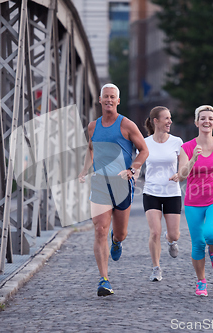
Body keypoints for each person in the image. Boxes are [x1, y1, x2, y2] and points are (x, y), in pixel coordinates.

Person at [78, 83, 149, 296]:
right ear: (99, 100)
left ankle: (116, 241)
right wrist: (84, 171)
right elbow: (91, 149)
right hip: (100, 183)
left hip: (121, 185)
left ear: (118, 101)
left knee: (121, 232)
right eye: (105, 97)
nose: (109, 100)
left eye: (112, 97)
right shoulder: (93, 126)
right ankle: (104, 280)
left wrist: (132, 169)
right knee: (100, 229)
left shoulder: (126, 125)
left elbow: (144, 150)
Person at [173, 105, 213, 296]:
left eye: (210, 118)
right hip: (193, 202)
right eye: (202, 118)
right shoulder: (187, 147)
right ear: (196, 122)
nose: (206, 121)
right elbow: (181, 175)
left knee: (212, 235)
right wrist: (192, 160)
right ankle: (201, 281)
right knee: (198, 244)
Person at [141, 106, 184, 282]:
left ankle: (171, 241)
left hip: (172, 192)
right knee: (154, 232)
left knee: (174, 234)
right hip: (151, 191)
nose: (170, 121)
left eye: (170, 118)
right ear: (155, 121)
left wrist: (180, 174)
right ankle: (156, 268)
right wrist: (132, 174)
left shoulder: (177, 142)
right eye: (166, 118)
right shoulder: (145, 143)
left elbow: (184, 164)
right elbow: (137, 164)